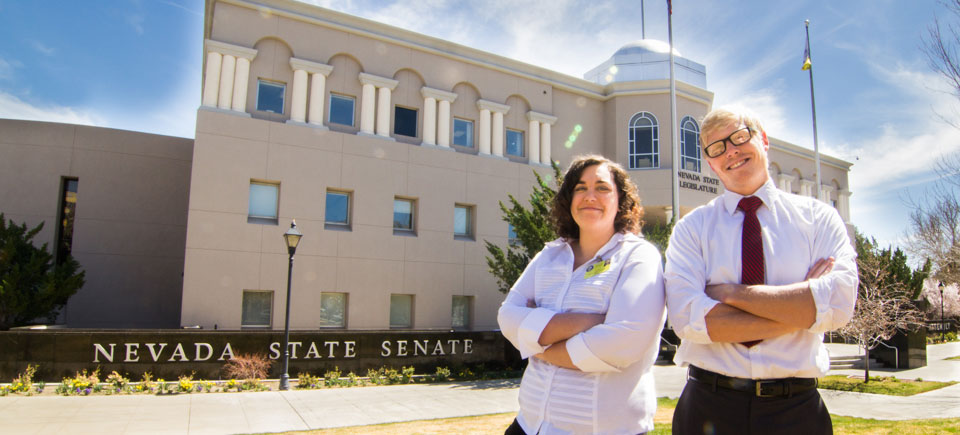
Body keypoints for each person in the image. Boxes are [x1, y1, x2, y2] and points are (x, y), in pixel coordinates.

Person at [665, 107, 858, 435]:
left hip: (796, 411)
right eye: (717, 148)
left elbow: (838, 306)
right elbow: (688, 321)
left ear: (763, 140)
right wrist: (802, 306)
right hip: (708, 407)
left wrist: (730, 293)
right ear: (710, 163)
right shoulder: (691, 229)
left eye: (739, 137)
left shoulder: (819, 219)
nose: (731, 150)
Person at [498, 154, 666, 434]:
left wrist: (539, 347)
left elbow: (625, 341)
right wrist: (589, 322)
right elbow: (507, 316)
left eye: (602, 187)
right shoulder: (549, 255)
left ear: (620, 200)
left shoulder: (639, 256)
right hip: (528, 425)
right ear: (569, 199)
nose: (590, 195)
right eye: (580, 188)